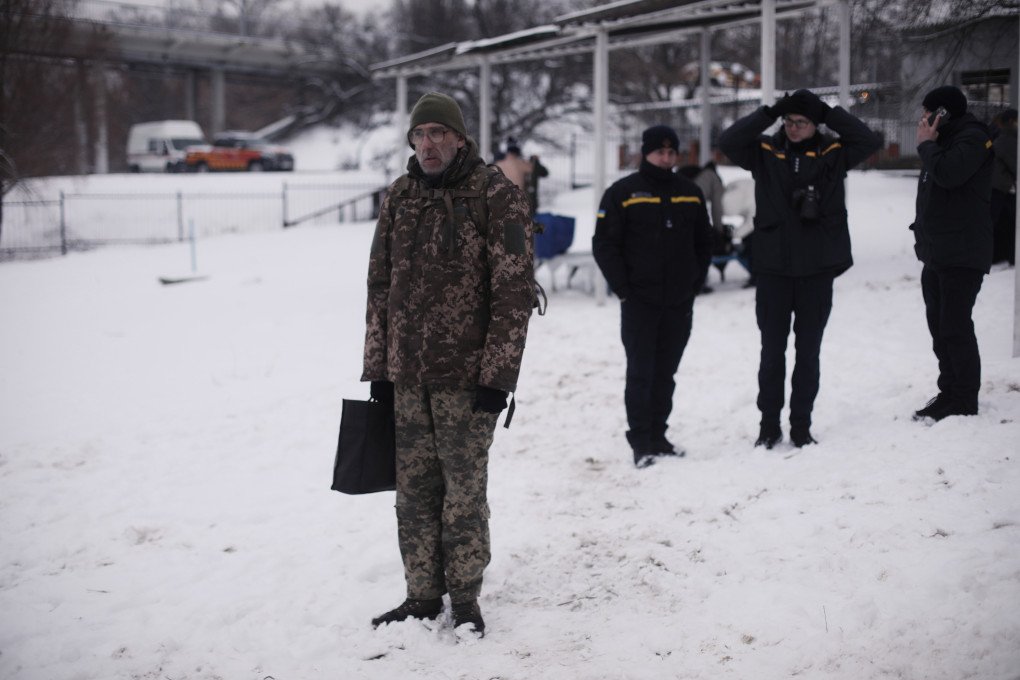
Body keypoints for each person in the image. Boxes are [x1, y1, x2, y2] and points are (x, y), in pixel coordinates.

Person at [362, 92, 535, 637]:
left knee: (463, 491)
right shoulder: (400, 196)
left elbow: (513, 294)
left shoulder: (494, 195)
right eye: (420, 134)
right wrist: (379, 371)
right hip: (407, 375)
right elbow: (379, 286)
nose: (429, 143)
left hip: (467, 379)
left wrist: (497, 379)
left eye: (440, 132)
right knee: (413, 490)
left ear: (461, 138)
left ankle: (464, 599)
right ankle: (420, 594)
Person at [718, 89, 881, 449]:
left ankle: (801, 425)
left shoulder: (833, 153)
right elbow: (728, 140)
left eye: (802, 122)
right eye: (789, 121)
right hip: (773, 269)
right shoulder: (764, 152)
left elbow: (869, 140)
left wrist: (826, 111)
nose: (793, 128)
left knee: (808, 352)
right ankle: (768, 425)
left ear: (815, 124)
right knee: (771, 352)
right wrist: (770, 111)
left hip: (816, 269)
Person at [592, 124, 714, 468]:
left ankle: (659, 435)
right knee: (641, 372)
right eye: (660, 152)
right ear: (645, 153)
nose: (666, 158)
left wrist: (695, 281)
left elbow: (704, 242)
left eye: (671, 152)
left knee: (666, 372)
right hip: (640, 302)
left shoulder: (690, 191)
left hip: (678, 301)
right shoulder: (623, 193)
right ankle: (641, 440)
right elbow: (603, 244)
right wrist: (624, 288)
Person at [910, 85, 994, 422]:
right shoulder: (944, 142)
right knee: (939, 326)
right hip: (938, 251)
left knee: (955, 326)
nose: (922, 118)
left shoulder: (973, 139)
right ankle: (950, 391)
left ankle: (963, 398)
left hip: (962, 252)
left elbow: (948, 174)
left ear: (942, 113)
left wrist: (927, 145)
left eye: (928, 111)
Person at [495, 137, 548, 216]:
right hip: (518, 204)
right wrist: (535, 161)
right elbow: (543, 172)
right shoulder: (522, 164)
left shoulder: (498, 165)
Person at [990, 108, 1017, 266]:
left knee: (1002, 223)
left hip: (1000, 187)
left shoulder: (1004, 136)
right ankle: (1005, 256)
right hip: (1000, 188)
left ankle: (999, 255)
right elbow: (1016, 165)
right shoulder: (1009, 138)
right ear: (1012, 122)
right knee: (1006, 223)